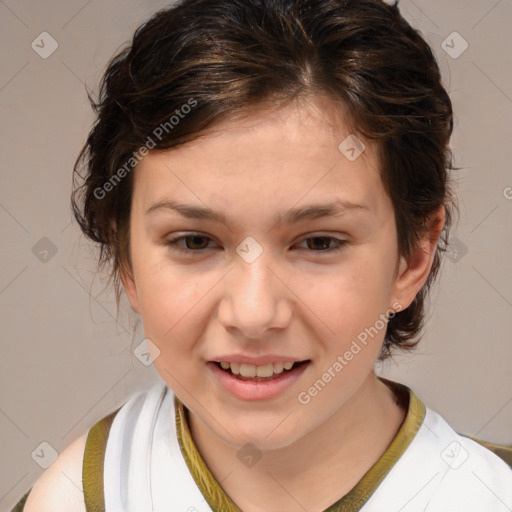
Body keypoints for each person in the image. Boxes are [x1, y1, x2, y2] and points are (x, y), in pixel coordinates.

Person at [13, 0, 512, 510]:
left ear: (413, 257)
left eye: (319, 242)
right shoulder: (74, 497)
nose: (253, 315)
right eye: (194, 241)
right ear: (126, 261)